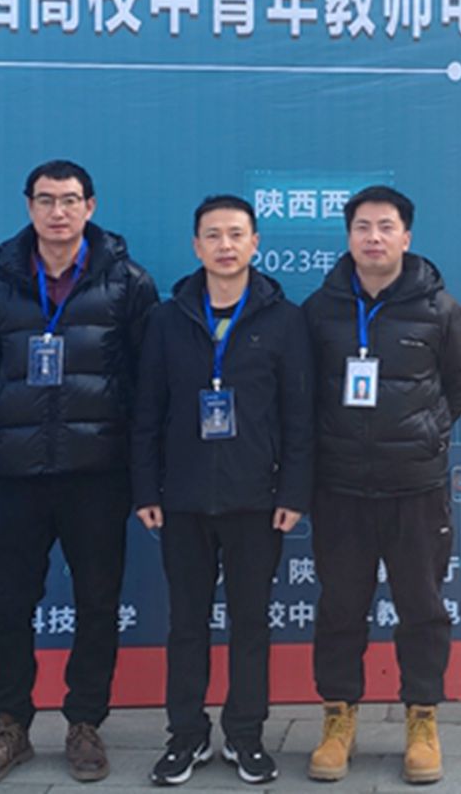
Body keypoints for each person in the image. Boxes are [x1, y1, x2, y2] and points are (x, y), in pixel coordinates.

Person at [0, 160, 159, 787]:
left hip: (96, 473)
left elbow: (145, 375)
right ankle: (10, 726)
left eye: (70, 200)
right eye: (45, 200)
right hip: (17, 473)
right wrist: (21, 417)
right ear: (29, 207)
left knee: (97, 602)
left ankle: (85, 724)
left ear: (90, 207)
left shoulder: (127, 282)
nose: (58, 212)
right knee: (8, 603)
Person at [131, 194, 314, 786]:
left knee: (250, 624)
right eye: (213, 235)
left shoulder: (284, 320)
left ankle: (245, 735)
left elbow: (299, 417)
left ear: (256, 243)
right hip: (182, 500)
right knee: (186, 624)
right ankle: (186, 736)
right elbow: (146, 412)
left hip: (256, 502)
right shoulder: (167, 320)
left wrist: (293, 493)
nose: (226, 245)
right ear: (196, 246)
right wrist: (145, 488)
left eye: (237, 234)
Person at [301, 185, 461, 786]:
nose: (373, 237)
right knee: (340, 608)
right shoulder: (319, 310)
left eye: (385, 226)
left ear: (406, 236)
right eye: (362, 227)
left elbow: (459, 385)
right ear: (348, 236)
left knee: (421, 607)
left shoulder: (441, 310)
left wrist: (424, 434)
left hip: (415, 486)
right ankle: (337, 718)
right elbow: (304, 392)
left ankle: (422, 719)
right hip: (340, 487)